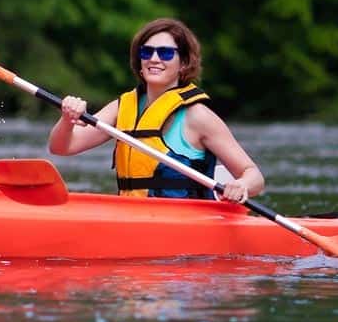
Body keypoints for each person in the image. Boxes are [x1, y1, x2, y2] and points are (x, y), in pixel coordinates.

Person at [47, 18, 264, 203]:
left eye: (166, 53)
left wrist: (241, 185)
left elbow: (254, 176)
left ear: (184, 63)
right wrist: (67, 120)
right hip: (131, 214)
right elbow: (62, 147)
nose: (154, 59)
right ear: (139, 61)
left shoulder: (197, 116)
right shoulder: (122, 107)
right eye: (147, 52)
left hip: (187, 222)